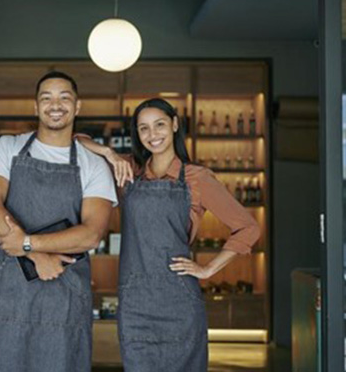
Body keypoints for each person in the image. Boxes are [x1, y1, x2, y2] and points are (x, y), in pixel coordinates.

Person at [77, 98, 260, 372]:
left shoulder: (197, 178)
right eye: (144, 128)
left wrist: (208, 269)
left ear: (175, 124)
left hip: (179, 303)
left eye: (160, 125)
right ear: (137, 134)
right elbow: (76, 140)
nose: (153, 135)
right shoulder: (129, 171)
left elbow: (248, 227)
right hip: (135, 303)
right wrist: (110, 154)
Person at [0, 71, 117, 372]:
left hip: (64, 293)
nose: (56, 105)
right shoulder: (8, 147)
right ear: (36, 107)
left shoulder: (95, 165)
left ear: (77, 107)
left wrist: (26, 242)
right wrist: (35, 255)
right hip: (9, 292)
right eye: (47, 98)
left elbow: (91, 234)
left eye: (64, 98)